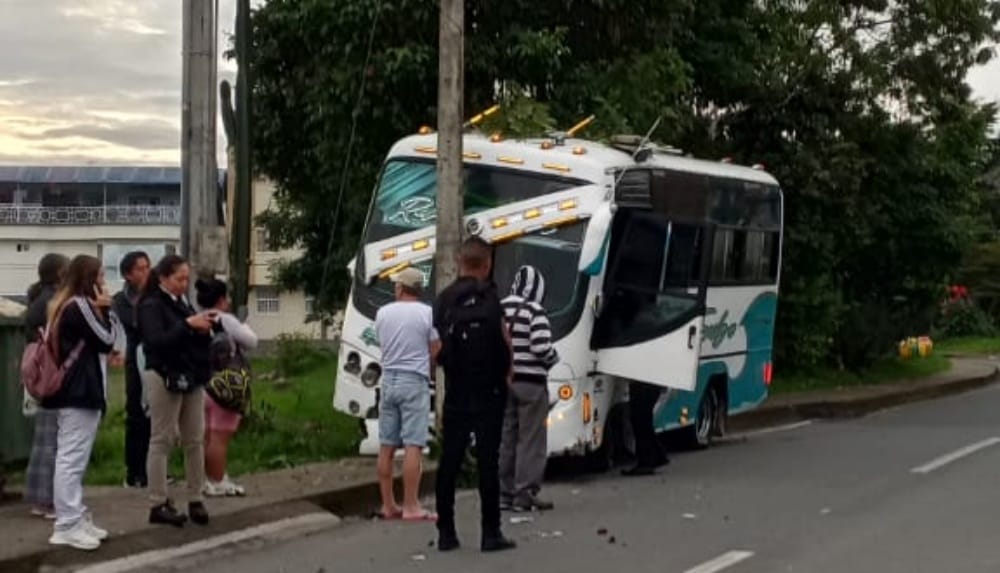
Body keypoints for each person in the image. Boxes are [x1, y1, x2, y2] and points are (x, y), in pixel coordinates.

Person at [433, 237, 516, 553]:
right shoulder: (491, 299)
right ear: (487, 264)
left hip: (457, 392)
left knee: (450, 461)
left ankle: (446, 533)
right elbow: (505, 342)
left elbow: (435, 348)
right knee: (488, 462)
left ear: (459, 261)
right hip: (490, 392)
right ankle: (490, 533)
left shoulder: (443, 301)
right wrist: (507, 375)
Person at [42, 255, 116, 551]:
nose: (104, 282)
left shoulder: (65, 305)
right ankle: (67, 524)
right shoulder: (79, 306)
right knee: (71, 459)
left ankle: (75, 516)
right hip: (79, 391)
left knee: (73, 458)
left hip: (77, 391)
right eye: (100, 276)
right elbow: (107, 340)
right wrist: (106, 310)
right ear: (89, 279)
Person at [138, 255, 215, 527]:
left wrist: (203, 327)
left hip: (191, 376)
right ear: (163, 278)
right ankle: (157, 501)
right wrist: (187, 325)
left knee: (195, 438)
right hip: (163, 375)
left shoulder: (182, 302)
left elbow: (188, 337)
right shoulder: (151, 305)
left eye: (186, 279)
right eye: (179, 279)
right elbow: (156, 341)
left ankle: (196, 496)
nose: (184, 284)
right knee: (162, 438)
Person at [373, 267, 439, 521]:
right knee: (413, 444)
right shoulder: (427, 313)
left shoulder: (383, 313)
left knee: (387, 445)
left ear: (400, 288)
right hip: (414, 380)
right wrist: (429, 368)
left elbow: (382, 342)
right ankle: (411, 505)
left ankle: (388, 504)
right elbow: (435, 347)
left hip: (388, 379)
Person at [499, 265, 559, 512]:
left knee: (507, 437)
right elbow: (541, 346)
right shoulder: (536, 310)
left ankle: (504, 492)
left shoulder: (501, 307)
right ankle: (525, 493)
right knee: (531, 440)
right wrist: (554, 358)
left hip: (506, 382)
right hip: (532, 385)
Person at [195, 278, 258, 497]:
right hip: (227, 385)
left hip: (204, 383)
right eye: (227, 297)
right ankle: (218, 480)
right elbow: (251, 341)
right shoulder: (226, 319)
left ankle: (204, 480)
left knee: (206, 435)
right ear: (221, 300)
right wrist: (245, 327)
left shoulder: (197, 317)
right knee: (220, 436)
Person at [23, 253, 69, 519]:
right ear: (60, 274)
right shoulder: (54, 302)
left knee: (45, 440)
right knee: (55, 441)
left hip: (39, 374)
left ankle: (40, 496)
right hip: (53, 374)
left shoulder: (36, 300)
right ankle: (49, 498)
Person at [112, 251, 151, 488]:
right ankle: (134, 472)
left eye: (148, 267)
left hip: (156, 360)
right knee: (136, 415)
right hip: (134, 364)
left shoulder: (157, 296)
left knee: (156, 418)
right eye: (141, 268)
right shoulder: (120, 301)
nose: (146, 272)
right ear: (128, 274)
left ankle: (153, 469)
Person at [622, 380, 669, 476]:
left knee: (641, 422)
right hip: (649, 385)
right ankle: (657, 456)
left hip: (643, 385)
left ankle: (646, 462)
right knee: (644, 422)